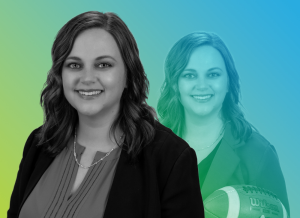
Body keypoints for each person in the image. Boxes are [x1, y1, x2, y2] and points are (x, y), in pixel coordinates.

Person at [8, 11, 204, 218]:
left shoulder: (171, 159)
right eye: (74, 65)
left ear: (129, 75)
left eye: (103, 65)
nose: (87, 78)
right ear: (60, 75)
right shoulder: (39, 143)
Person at [157, 32, 290, 215]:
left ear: (228, 82)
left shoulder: (259, 155)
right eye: (189, 75)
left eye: (213, 74)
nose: (202, 85)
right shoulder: (149, 147)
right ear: (175, 84)